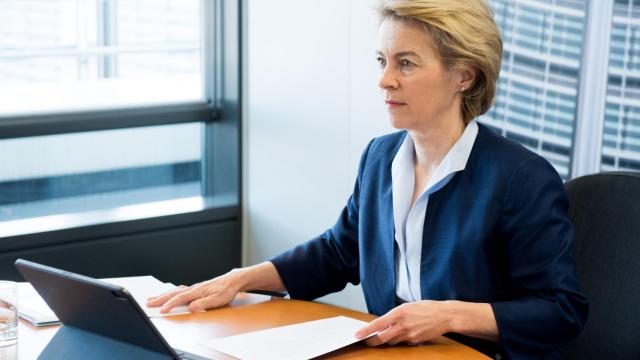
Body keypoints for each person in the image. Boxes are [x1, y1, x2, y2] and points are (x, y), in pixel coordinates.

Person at [148, 0, 588, 358]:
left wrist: (449, 315)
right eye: (382, 60)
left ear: (464, 75)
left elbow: (560, 311)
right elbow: (339, 251)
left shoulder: (520, 179)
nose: (384, 80)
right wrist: (241, 279)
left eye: (406, 64)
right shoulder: (381, 158)